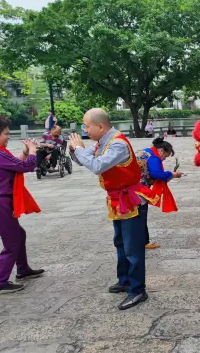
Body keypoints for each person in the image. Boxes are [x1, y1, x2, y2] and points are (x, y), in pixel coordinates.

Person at [69, 108, 159, 310]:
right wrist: (75, 150)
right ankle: (125, 279)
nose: (85, 129)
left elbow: (97, 166)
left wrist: (79, 149)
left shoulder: (117, 143)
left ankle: (138, 290)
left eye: (87, 125)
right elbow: (87, 160)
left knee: (132, 248)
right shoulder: (103, 142)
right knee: (120, 242)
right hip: (118, 199)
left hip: (130, 200)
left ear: (100, 126)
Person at [0, 116, 45, 295]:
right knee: (12, 242)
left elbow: (15, 164)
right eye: (6, 134)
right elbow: (27, 166)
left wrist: (25, 151)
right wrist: (32, 150)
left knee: (18, 234)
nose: (8, 137)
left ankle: (23, 270)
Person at [136, 138, 183, 250]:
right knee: (141, 216)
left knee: (139, 216)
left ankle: (143, 241)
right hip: (139, 191)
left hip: (133, 188)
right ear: (161, 150)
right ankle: (143, 242)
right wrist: (172, 174)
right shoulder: (154, 157)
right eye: (165, 156)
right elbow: (157, 174)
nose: (163, 159)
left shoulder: (145, 151)